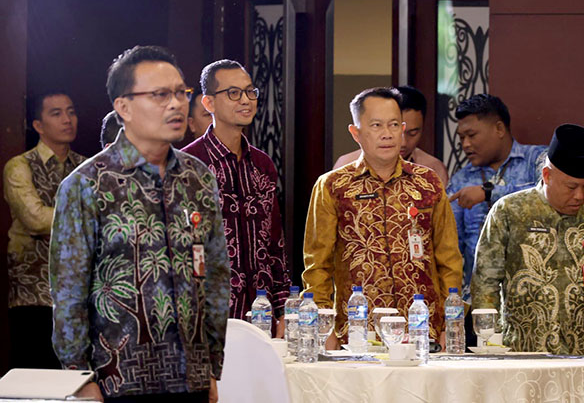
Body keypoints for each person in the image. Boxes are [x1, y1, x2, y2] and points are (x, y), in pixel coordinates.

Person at [49, 45, 230, 402]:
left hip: (191, 378)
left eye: (180, 92)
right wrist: (78, 376)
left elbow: (215, 274)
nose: (176, 104)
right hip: (117, 382)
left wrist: (211, 365)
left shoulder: (198, 178)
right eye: (160, 95)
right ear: (124, 107)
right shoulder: (86, 184)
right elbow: (68, 292)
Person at [302, 87, 462, 348]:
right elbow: (317, 264)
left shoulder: (428, 182)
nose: (387, 134)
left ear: (402, 129)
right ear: (356, 132)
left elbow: (449, 259)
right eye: (376, 125)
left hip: (423, 330)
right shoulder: (333, 186)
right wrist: (323, 326)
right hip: (357, 332)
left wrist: (450, 325)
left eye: (393, 125)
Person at [471, 124, 584, 356]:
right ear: (547, 175)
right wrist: (490, 344)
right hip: (521, 353)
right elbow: (485, 282)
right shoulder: (509, 211)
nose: (579, 196)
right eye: (571, 187)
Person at [182, 59, 291, 335]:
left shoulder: (262, 165)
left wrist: (282, 309)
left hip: (261, 314)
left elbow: (275, 244)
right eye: (233, 93)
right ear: (209, 103)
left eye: (250, 91)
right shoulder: (188, 165)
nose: (245, 100)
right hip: (206, 315)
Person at [3, 92, 85, 369]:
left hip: (79, 293)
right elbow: (34, 218)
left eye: (71, 111)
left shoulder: (86, 166)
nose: (67, 119)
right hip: (32, 292)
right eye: (56, 113)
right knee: (35, 375)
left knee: (77, 378)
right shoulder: (20, 165)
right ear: (38, 125)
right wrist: (84, 218)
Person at [447, 94, 547, 301]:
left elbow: (547, 195)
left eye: (471, 135)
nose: (465, 144)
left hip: (538, 294)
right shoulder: (460, 181)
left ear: (499, 129)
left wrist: (488, 193)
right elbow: (451, 245)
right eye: (461, 138)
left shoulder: (537, 159)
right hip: (479, 298)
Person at [333, 86, 449, 184]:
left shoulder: (432, 172)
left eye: (413, 133)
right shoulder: (342, 171)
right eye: (377, 125)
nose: (403, 142)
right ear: (356, 132)